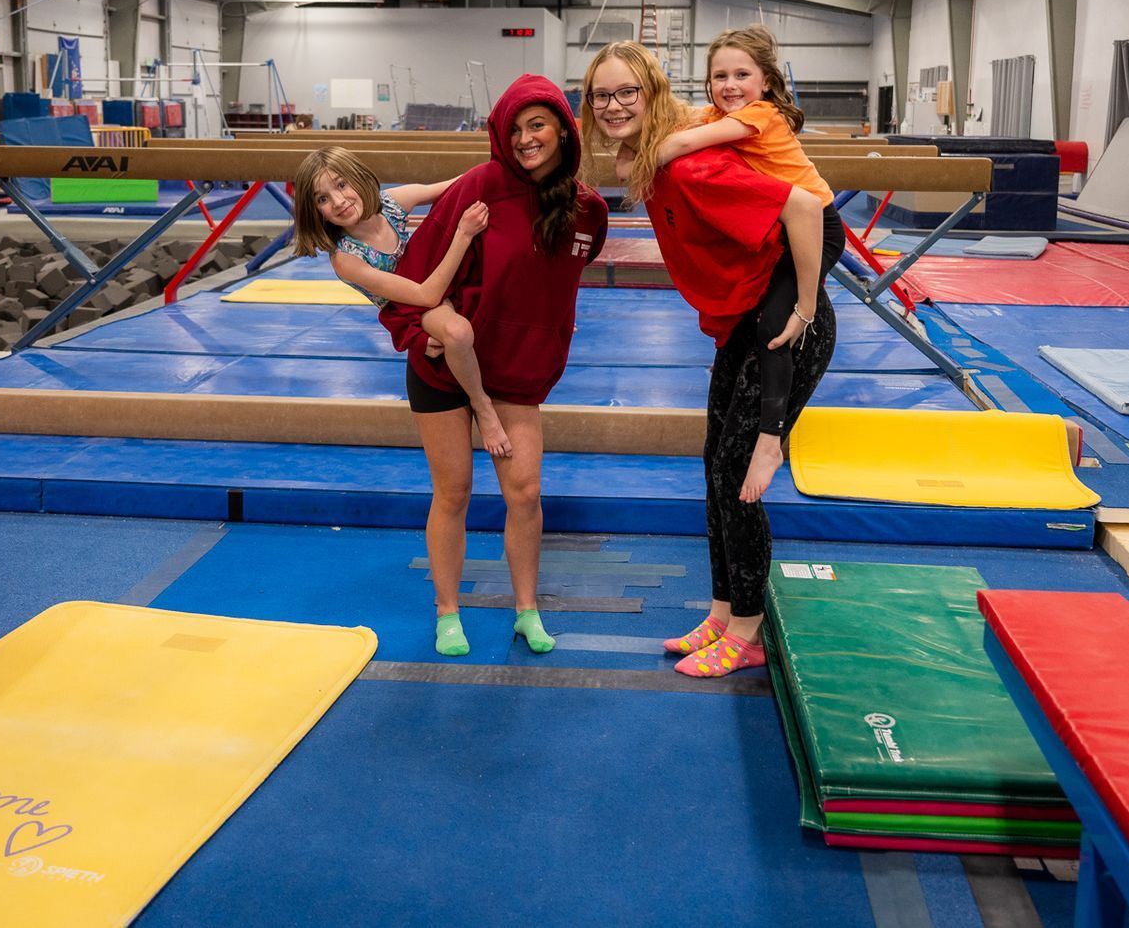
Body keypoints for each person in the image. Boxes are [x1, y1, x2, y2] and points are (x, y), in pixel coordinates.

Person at [579, 41, 839, 679]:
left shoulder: (690, 165)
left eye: (627, 93)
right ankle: (723, 610)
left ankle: (748, 629)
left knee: (737, 477)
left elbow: (805, 207)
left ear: (652, 94)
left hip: (781, 330)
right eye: (601, 95)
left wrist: (803, 304)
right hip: (741, 325)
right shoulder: (650, 153)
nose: (613, 106)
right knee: (714, 468)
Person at [380, 75, 609, 658]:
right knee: (453, 491)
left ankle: (526, 610)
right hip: (445, 370)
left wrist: (548, 337)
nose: (527, 139)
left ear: (563, 127)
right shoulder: (480, 188)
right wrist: (422, 330)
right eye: (514, 129)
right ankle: (448, 611)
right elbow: (411, 275)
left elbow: (556, 288)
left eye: (537, 125)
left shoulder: (588, 211)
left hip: (515, 373)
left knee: (525, 493)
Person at [649, 25, 847, 498]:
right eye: (720, 76)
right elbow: (684, 118)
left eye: (742, 74)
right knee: (759, 323)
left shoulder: (761, 115)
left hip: (818, 226)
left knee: (773, 329)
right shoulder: (722, 113)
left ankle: (770, 441)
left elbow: (676, 144)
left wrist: (639, 160)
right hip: (785, 231)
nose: (730, 84)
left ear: (766, 83)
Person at [291, 147, 510, 457]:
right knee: (458, 332)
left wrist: (505, 167)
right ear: (314, 211)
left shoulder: (392, 205)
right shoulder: (347, 257)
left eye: (341, 185)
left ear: (358, 177)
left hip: (436, 280)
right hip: (412, 308)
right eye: (322, 199)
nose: (338, 201)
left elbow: (459, 184)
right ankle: (482, 404)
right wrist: (462, 234)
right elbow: (425, 296)